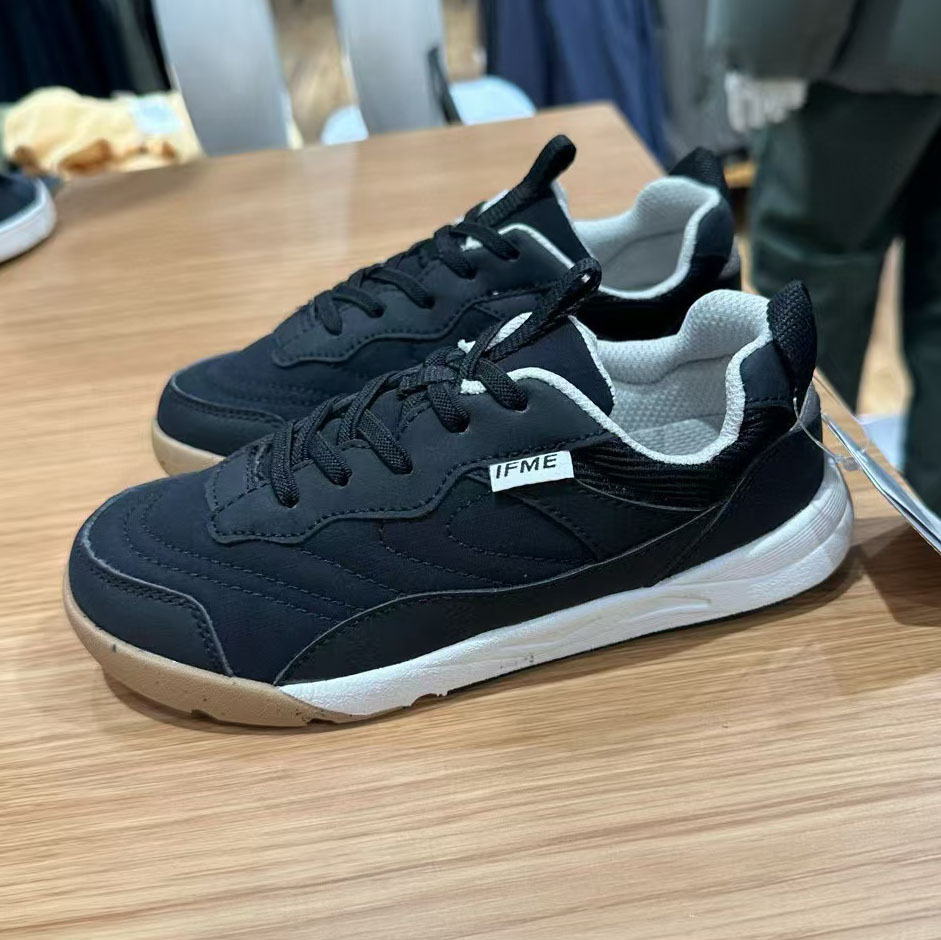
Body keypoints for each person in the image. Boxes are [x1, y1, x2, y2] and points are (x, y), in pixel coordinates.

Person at [708, 0, 941, 511]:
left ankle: (800, 511)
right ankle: (929, 541)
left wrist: (763, 45)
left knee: (811, 301)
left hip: (858, 59)